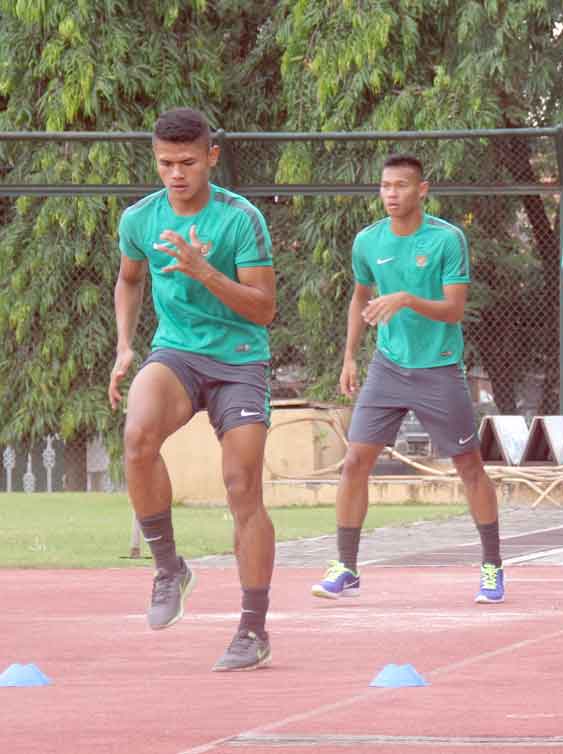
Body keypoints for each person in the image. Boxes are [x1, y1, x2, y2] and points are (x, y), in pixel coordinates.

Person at [110, 107, 277, 671]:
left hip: (238, 360)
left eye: (186, 162)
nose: (176, 174)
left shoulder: (241, 218)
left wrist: (203, 271)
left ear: (211, 156)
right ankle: (169, 569)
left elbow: (265, 309)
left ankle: (252, 629)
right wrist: (125, 346)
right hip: (176, 353)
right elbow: (130, 278)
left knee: (241, 483)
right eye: (164, 163)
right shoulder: (140, 219)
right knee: (137, 436)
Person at [310, 154, 503, 604]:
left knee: (469, 466)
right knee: (356, 461)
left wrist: (406, 298)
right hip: (387, 367)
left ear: (422, 190)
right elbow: (360, 298)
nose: (391, 194)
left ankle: (492, 567)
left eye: (400, 185)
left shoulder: (446, 239)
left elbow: (454, 309)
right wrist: (349, 357)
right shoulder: (367, 241)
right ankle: (347, 567)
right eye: (385, 186)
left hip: (438, 367)